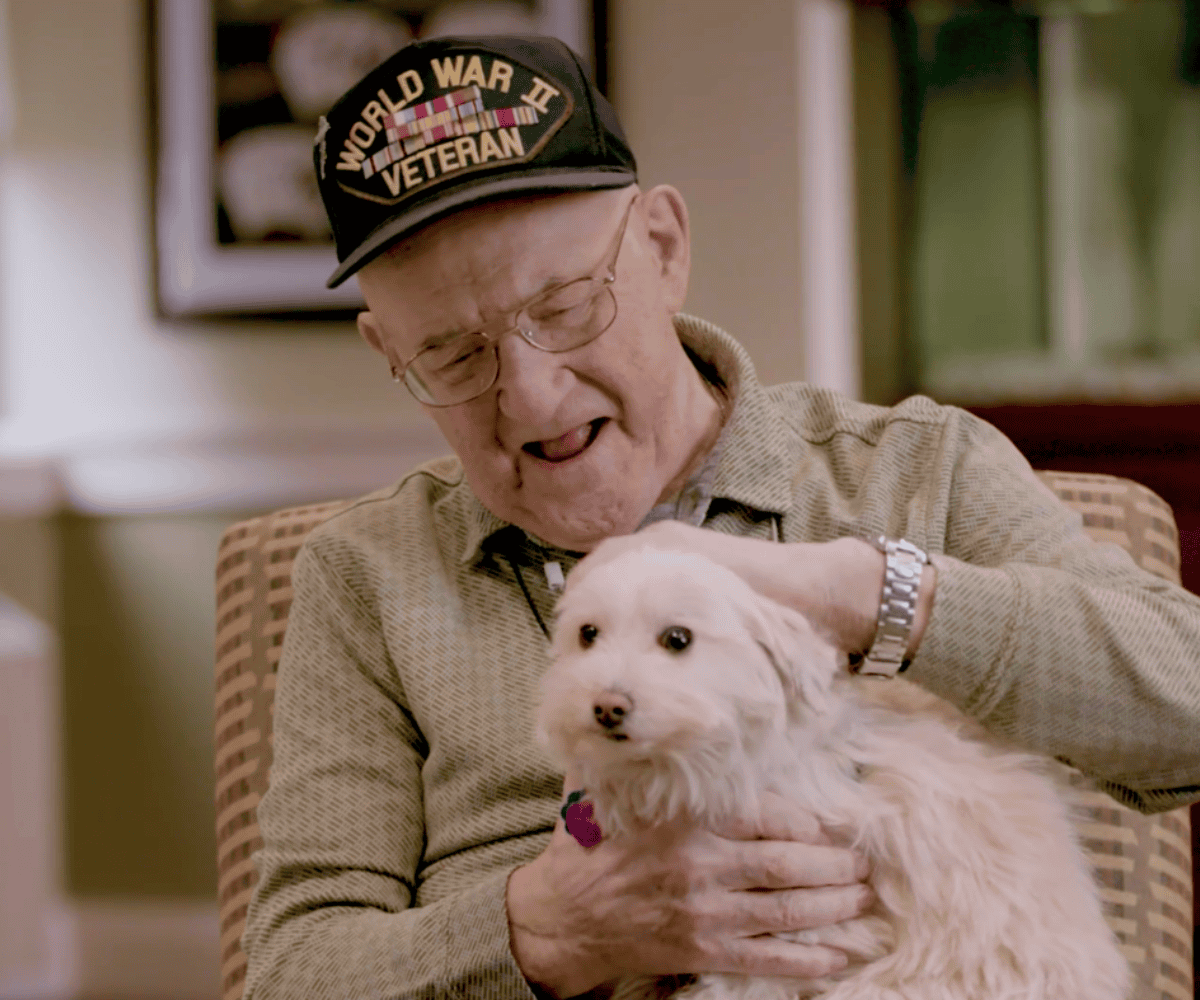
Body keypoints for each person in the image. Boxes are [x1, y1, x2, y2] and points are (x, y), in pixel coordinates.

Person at [240, 34, 1200, 1000]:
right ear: (386, 350)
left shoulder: (914, 472)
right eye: (452, 356)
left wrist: (871, 596)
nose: (530, 398)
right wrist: (546, 932)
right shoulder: (365, 575)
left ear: (662, 249)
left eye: (568, 305)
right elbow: (291, 972)